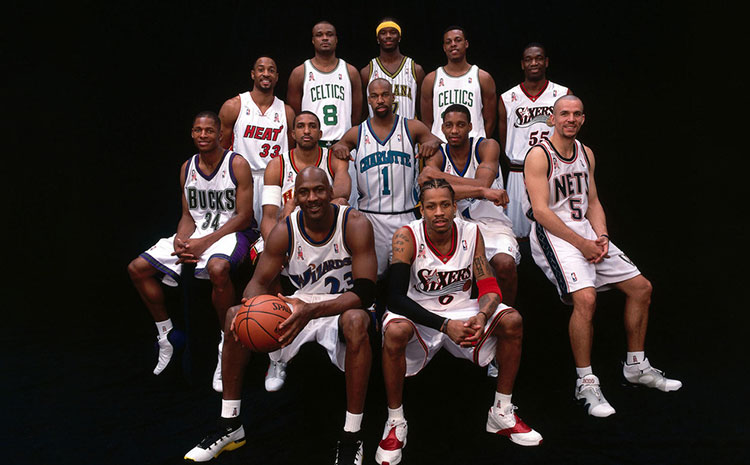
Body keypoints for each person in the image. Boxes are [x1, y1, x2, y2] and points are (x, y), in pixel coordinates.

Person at [184, 167, 377, 464]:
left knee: (356, 322)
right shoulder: (285, 229)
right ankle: (230, 425)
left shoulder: (354, 223)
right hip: (300, 302)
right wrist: (251, 309)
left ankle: (352, 435)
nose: (312, 198)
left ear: (330, 192)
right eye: (304, 192)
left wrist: (313, 311)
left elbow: (366, 292)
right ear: (295, 197)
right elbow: (257, 283)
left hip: (344, 303)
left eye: (319, 190)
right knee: (235, 315)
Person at [524, 95, 682, 418]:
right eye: (564, 113)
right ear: (552, 119)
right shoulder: (539, 155)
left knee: (641, 288)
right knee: (586, 298)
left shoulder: (586, 153)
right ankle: (586, 382)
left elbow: (593, 201)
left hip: (585, 232)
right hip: (554, 235)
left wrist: (602, 236)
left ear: (583, 119)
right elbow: (540, 211)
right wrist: (582, 244)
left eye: (576, 114)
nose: (570, 119)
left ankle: (636, 367)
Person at [375, 178, 542, 465]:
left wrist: (482, 315)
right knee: (395, 331)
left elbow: (488, 285)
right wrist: (444, 325)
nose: (438, 212)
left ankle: (501, 411)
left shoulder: (471, 232)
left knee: (512, 320)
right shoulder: (406, 235)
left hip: (462, 310)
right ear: (421, 210)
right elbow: (395, 299)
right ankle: (395, 421)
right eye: (431, 206)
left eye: (445, 205)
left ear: (455, 207)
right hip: (418, 310)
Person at [127, 111, 256, 392]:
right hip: (198, 233)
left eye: (209, 130)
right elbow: (187, 215)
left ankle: (226, 343)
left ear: (220, 134)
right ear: (192, 133)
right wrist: (181, 240)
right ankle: (167, 335)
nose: (203, 135)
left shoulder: (237, 164)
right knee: (137, 269)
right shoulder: (187, 167)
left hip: (230, 233)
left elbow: (245, 216)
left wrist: (204, 243)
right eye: (198, 130)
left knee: (218, 270)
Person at [258, 110, 352, 392]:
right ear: (293, 133)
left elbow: (341, 195)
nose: (307, 131)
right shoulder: (277, 165)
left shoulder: (332, 158)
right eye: (301, 126)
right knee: (264, 263)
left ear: (320, 133)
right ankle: (276, 355)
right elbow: (269, 215)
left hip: (325, 229)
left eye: (312, 126)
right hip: (287, 234)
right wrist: (278, 246)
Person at [330, 78, 441, 281]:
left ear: (393, 97)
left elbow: (435, 140)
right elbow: (338, 147)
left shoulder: (412, 127)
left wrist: (432, 144)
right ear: (369, 100)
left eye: (384, 95)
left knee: (410, 279)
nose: (380, 100)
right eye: (374, 96)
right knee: (372, 280)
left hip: (405, 215)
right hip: (370, 218)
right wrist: (340, 147)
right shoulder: (357, 132)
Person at [420, 103, 519, 305]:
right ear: (442, 128)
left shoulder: (486, 146)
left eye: (460, 125)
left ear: (470, 126)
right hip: (454, 227)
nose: (454, 130)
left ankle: (505, 314)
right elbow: (436, 194)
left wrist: (436, 176)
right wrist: (482, 192)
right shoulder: (438, 154)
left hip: (492, 224)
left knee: (505, 265)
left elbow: (484, 182)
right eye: (449, 125)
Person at [499, 43, 571, 242]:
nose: (534, 63)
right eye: (528, 59)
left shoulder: (562, 94)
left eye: (538, 58)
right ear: (522, 64)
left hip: (553, 170)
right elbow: (504, 139)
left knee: (555, 230)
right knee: (518, 235)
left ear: (546, 62)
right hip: (518, 171)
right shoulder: (508, 98)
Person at [287, 20, 363, 208]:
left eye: (329, 34)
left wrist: (345, 141)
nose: (325, 38)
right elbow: (295, 116)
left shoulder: (350, 72)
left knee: (344, 205)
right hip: (312, 149)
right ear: (313, 40)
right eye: (319, 35)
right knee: (311, 205)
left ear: (336, 39)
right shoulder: (300, 73)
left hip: (342, 148)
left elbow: (356, 115)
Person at [219, 56, 295, 226]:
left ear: (277, 77)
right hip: (243, 180)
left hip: (275, 182)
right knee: (239, 231)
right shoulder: (234, 106)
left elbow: (291, 154)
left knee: (275, 231)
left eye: (271, 70)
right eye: (261, 69)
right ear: (253, 74)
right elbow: (220, 150)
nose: (266, 74)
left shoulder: (287, 112)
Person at [421, 26, 496, 142]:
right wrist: (437, 142)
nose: (453, 44)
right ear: (444, 47)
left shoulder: (483, 77)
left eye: (458, 40)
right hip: (442, 146)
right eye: (448, 42)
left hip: (474, 145)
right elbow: (427, 122)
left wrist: (478, 143)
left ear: (466, 44)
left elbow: (490, 120)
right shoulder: (431, 79)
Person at [360, 17, 425, 120]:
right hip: (377, 130)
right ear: (377, 39)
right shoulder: (367, 71)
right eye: (383, 33)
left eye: (393, 32)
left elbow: (421, 110)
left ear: (399, 37)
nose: (388, 36)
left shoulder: (415, 69)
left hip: (407, 128)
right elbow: (363, 112)